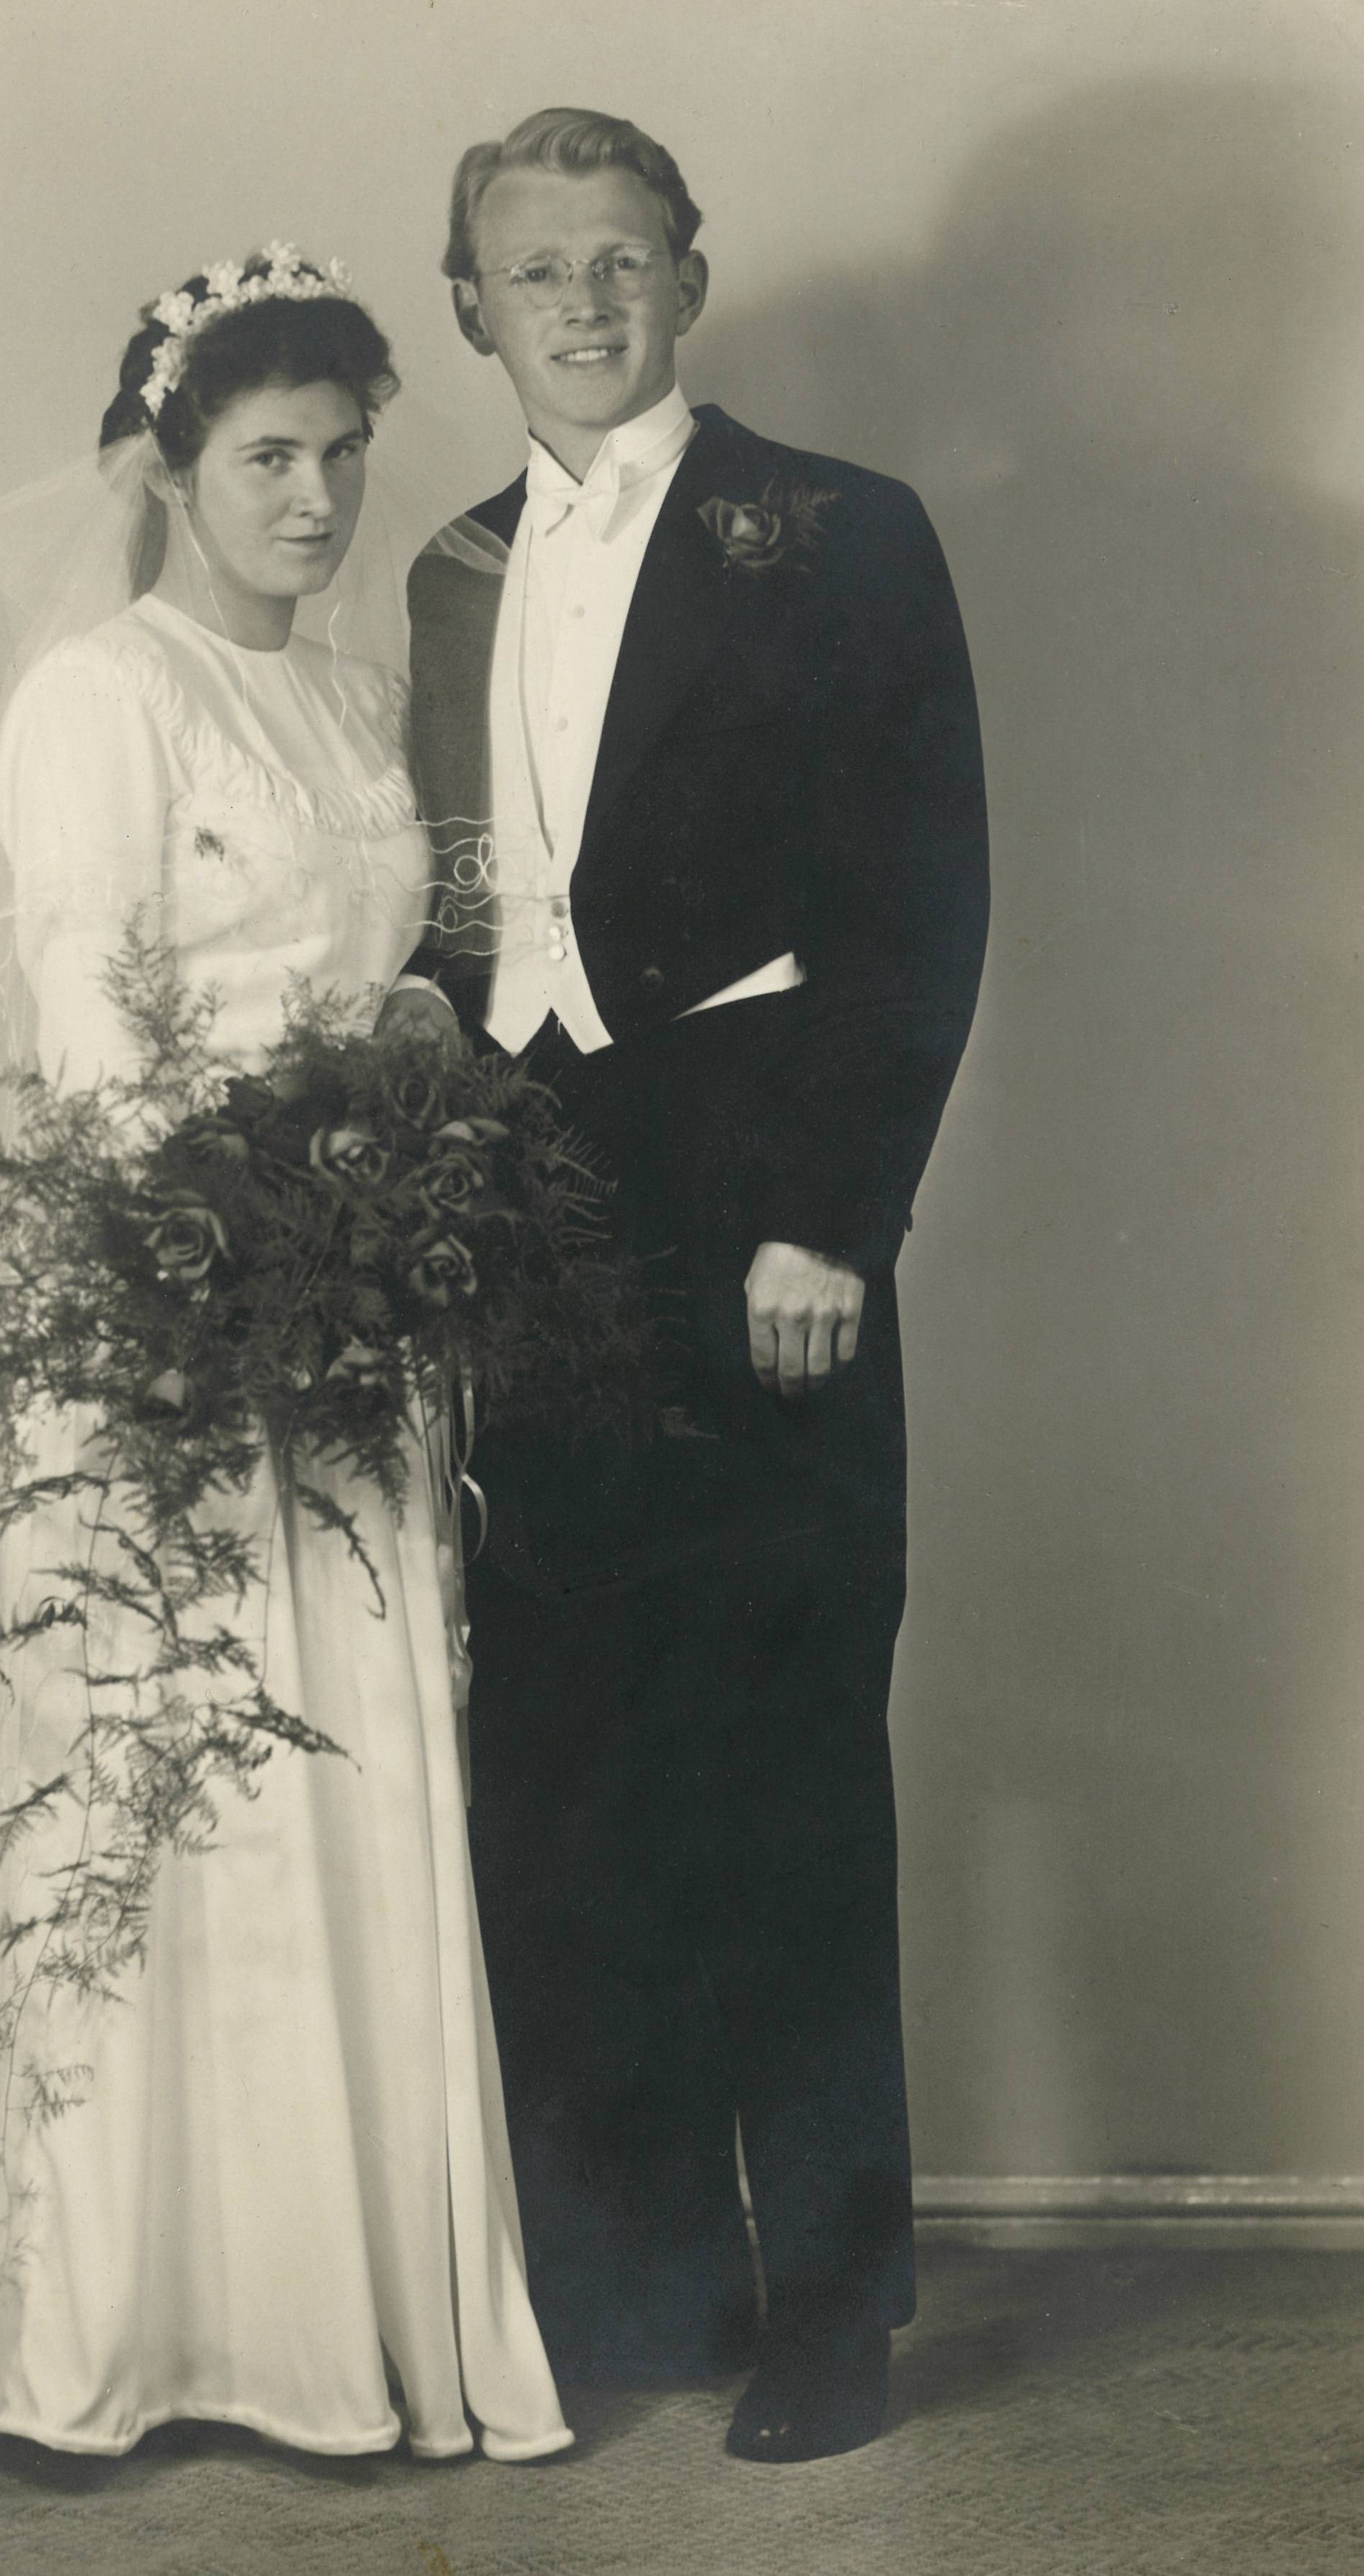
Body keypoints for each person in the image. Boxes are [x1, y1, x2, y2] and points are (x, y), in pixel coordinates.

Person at [0, 248, 571, 2465]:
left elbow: (411, 976)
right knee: (188, 1795)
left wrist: (409, 1096)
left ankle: (334, 2321)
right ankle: (127, 2336)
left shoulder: (360, 713)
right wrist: (256, 1222)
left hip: (353, 1326)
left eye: (347, 454)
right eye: (269, 456)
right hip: (182, 1313)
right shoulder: (105, 691)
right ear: (167, 468)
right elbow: (91, 1027)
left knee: (335, 1786)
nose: (317, 498)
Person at [382, 108, 989, 2460]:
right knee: (558, 1753)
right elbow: (446, 911)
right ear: (470, 306)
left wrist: (834, 1211)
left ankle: (830, 2313)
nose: (584, 305)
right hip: (516, 1205)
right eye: (535, 272)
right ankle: (643, 2285)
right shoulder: (441, 567)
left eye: (622, 260)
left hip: (758, 1202)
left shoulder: (839, 533)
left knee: (779, 1761)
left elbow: (920, 896)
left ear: (691, 275)